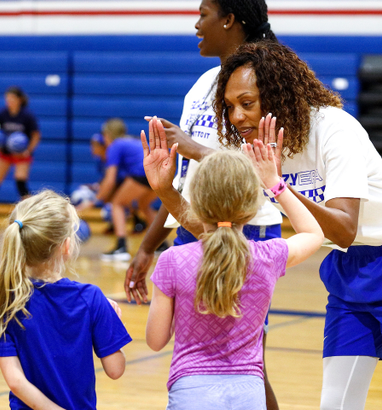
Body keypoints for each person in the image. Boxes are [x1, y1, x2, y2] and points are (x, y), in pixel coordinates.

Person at [213, 40, 382, 410]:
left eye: (247, 103)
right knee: (336, 404)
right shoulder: (256, 149)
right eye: (230, 107)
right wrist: (165, 191)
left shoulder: (334, 129)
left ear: (276, 96)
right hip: (348, 267)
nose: (237, 117)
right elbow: (222, 218)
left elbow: (342, 228)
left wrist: (277, 185)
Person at [125, 2, 283, 406]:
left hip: (248, 231)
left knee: (249, 364)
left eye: (203, 13)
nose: (196, 24)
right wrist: (148, 246)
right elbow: (181, 181)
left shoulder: (266, 81)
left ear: (229, 19)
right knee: (196, 356)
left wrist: (194, 148)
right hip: (190, 226)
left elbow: (260, 166)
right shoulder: (202, 85)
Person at [142, 118, 324, 409]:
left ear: (197, 202)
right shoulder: (267, 256)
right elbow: (314, 233)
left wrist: (165, 189)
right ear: (251, 209)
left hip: (190, 392)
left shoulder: (172, 260)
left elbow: (155, 341)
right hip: (249, 393)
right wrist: (274, 184)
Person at [0, 190, 132, 409]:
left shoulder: (6, 300)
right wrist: (113, 322)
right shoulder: (91, 298)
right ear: (66, 246)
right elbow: (116, 370)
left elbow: (15, 382)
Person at [80, 118, 157, 261]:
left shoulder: (115, 145)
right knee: (144, 204)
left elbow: (109, 180)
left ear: (107, 135)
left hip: (143, 172)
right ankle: (160, 244)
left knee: (117, 204)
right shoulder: (131, 140)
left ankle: (121, 247)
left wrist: (94, 202)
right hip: (159, 172)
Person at [0, 86, 40, 206]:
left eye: (12, 98)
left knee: (20, 181)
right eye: (7, 99)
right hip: (5, 152)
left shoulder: (27, 115)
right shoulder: (2, 114)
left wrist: (28, 150)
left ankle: (30, 211)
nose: (9, 101)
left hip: (21, 154)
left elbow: (36, 135)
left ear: (19, 100)